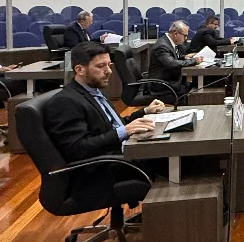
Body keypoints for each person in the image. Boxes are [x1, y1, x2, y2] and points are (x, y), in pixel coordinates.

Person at [42, 41, 168, 189]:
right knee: (179, 158)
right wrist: (125, 131)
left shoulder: (94, 90)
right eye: (101, 66)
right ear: (79, 69)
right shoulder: (65, 102)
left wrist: (145, 111)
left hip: (119, 156)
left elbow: (112, 125)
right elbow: (78, 148)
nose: (108, 71)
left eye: (109, 65)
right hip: (104, 170)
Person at [147, 21, 201, 102]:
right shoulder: (162, 46)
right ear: (176, 34)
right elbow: (172, 63)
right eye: (185, 35)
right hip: (162, 85)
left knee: (195, 85)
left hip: (170, 80)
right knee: (194, 90)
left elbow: (172, 58)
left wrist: (185, 57)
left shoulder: (168, 43)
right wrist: (194, 61)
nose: (186, 39)